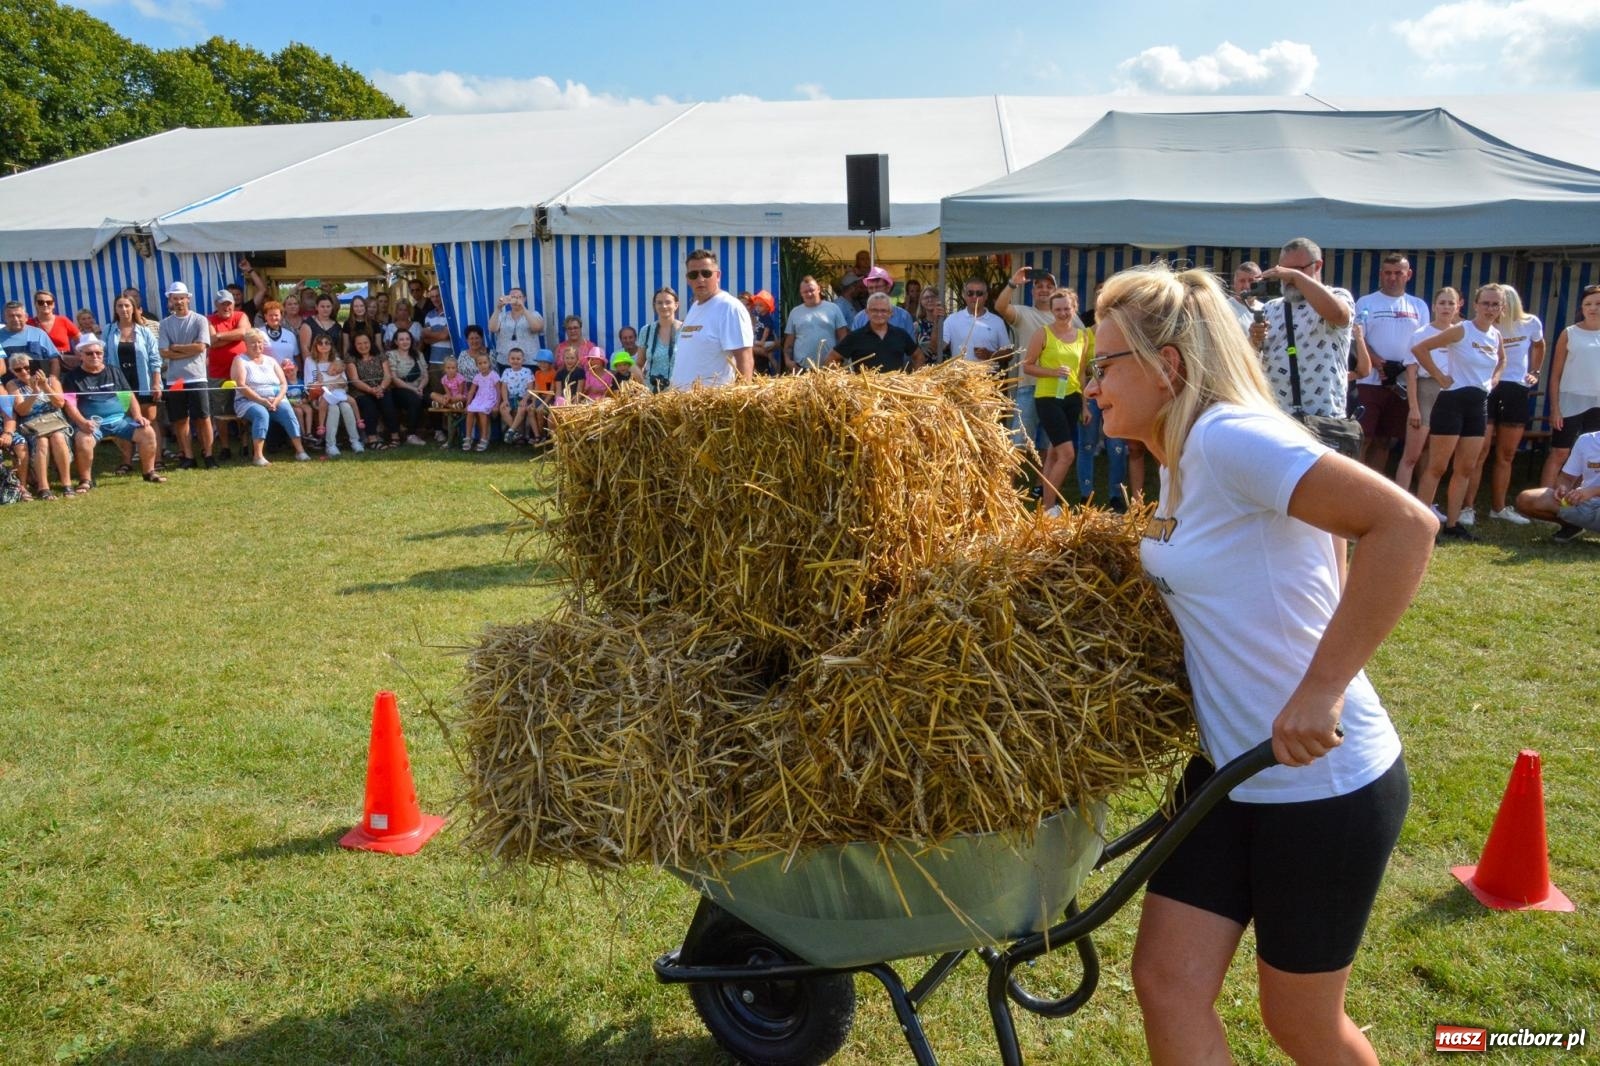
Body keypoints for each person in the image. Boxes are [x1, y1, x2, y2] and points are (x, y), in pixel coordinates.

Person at [1082, 261, 1432, 1066]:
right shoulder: (1179, 458)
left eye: (1106, 364)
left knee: (1302, 1025)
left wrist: (1322, 685)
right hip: (1232, 771)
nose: (1091, 383)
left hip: (1322, 786)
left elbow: (1403, 525)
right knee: (1168, 981)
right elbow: (1322, 543)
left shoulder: (1231, 437)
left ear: (1168, 367)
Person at [1412, 285, 1505, 541]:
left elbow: (1502, 360)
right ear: (1474, 305)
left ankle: (1453, 524)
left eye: (1495, 304)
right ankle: (1421, 525)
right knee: (1437, 467)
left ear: (1501, 308)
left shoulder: (1495, 335)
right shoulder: (1462, 329)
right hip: (1452, 402)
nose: (1490, 309)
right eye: (1485, 303)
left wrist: (1494, 379)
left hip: (1479, 405)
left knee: (1465, 467)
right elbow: (1420, 349)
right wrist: (1440, 376)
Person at [1247, 238, 1356, 419]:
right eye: (1284, 270)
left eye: (1296, 270)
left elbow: (1338, 315)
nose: (1287, 277)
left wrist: (1297, 278)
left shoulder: (1338, 295)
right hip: (1276, 416)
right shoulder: (1270, 308)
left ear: (1318, 266)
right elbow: (1250, 359)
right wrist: (1254, 339)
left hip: (1323, 417)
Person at [1464, 284, 1544, 525]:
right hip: (1488, 387)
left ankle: (1498, 507)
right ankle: (1467, 507)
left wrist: (1535, 371)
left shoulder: (1530, 322)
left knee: (1507, 454)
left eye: (1501, 303)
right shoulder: (1485, 325)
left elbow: (1540, 344)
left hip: (1516, 389)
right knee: (1480, 451)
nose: (1497, 308)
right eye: (1493, 303)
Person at [1353, 254, 1430, 474]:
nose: (1392, 278)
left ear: (1408, 275)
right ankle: (1356, 485)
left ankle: (1376, 489)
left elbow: (1423, 341)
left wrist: (1404, 366)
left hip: (1402, 384)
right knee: (1363, 437)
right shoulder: (1366, 302)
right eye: (1388, 273)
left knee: (1385, 440)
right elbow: (1358, 337)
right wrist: (1377, 363)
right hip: (1370, 381)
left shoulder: (1418, 305)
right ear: (1380, 275)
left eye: (1398, 273)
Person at [1021, 289, 1090, 517]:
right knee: (1068, 454)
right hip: (1048, 398)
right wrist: (1052, 372)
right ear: (1051, 311)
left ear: (1074, 308)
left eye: (1066, 308)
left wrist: (1085, 405)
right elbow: (1027, 365)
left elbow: (1081, 375)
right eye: (1058, 309)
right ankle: (1050, 507)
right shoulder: (1043, 333)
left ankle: (1045, 508)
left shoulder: (1083, 336)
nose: (1062, 313)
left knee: (1053, 453)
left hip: (1071, 398)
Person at [62, 335, 163, 488]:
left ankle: (149, 472)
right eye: (89, 353)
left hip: (119, 421)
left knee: (147, 431)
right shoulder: (72, 377)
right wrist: (82, 423)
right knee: (83, 439)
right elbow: (69, 405)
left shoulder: (114, 371)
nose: (95, 356)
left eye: (98, 353)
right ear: (80, 355)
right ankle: (86, 480)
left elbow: (128, 396)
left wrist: (137, 416)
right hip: (91, 423)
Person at [1394, 287, 1459, 497]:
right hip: (1425, 393)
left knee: (1433, 457)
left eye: (1451, 303)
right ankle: (1400, 502)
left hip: (1450, 394)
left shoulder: (1460, 334)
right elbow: (1411, 373)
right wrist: (1413, 407)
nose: (1446, 307)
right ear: (1434, 307)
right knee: (1411, 456)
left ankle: (1425, 503)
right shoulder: (1421, 334)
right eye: (1442, 303)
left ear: (1458, 306)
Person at [997, 266, 1066, 457]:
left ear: (1056, 291)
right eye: (1039, 286)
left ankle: (1040, 487)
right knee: (1017, 443)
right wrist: (1012, 284)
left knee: (1048, 443)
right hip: (1028, 387)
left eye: (1049, 286)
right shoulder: (1023, 313)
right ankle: (1007, 486)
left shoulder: (1067, 316)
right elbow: (1000, 307)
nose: (1044, 289)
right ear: (1032, 291)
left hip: (1057, 388)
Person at [1540, 283, 1600, 491]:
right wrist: (1555, 408)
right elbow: (1555, 374)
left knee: (1593, 457)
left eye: (1598, 303)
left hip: (1598, 403)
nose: (1593, 308)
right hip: (1570, 401)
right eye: (1588, 304)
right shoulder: (1570, 333)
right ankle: (1543, 500)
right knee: (1560, 452)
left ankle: (1583, 501)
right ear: (1581, 308)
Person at [670, 249, 753, 389]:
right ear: (688, 279)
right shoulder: (695, 307)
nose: (700, 279)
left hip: (710, 406)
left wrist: (741, 405)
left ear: (718, 275)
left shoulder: (729, 307)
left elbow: (745, 359)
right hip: (683, 404)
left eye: (706, 273)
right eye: (694, 274)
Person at [230, 329, 311, 465]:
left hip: (275, 399)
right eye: (253, 343)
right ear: (246, 344)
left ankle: (300, 451)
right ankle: (258, 456)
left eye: (260, 342)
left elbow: (283, 383)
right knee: (261, 414)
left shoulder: (271, 361)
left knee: (287, 412)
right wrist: (261, 401)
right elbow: (241, 385)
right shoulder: (240, 360)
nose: (257, 346)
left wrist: (278, 399)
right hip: (248, 401)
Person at [158, 281, 214, 470]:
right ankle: (188, 456)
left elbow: (201, 346)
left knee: (203, 417)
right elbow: (164, 352)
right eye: (175, 298)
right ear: (170, 300)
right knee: (180, 418)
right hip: (176, 379)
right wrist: (190, 349)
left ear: (188, 299)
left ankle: (208, 454)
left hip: (197, 376)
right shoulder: (165, 324)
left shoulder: (200, 320)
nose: (179, 301)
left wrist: (177, 348)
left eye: (182, 298)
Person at [1515, 428, 1600, 543]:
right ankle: (1572, 525)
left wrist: (1592, 491)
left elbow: (1590, 491)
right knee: (1525, 499)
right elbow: (1567, 477)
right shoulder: (1586, 440)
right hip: (1584, 505)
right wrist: (1562, 488)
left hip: (1589, 499)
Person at [6, 353, 74, 497]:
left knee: (58, 438)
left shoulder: (51, 380)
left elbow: (60, 403)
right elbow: (21, 411)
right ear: (13, 372)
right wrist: (35, 392)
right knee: (41, 441)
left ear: (33, 366)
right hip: (31, 422)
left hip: (54, 419)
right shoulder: (13, 385)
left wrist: (44, 386)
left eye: (26, 367)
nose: (24, 372)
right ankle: (43, 487)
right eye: (18, 370)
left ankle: (67, 483)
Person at [107, 295, 162, 461]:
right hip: (120, 384)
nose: (124, 309)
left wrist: (156, 383)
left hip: (143, 382)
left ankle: (156, 460)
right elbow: (103, 358)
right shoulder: (108, 330)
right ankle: (127, 462)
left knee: (150, 421)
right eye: (120, 306)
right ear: (115, 309)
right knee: (124, 422)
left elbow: (155, 359)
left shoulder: (144, 331)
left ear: (134, 308)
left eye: (127, 306)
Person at [207, 289, 249, 460]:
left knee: (244, 408)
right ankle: (225, 446)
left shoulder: (241, 315)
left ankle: (245, 444)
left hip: (242, 373)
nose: (226, 307)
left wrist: (220, 336)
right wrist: (234, 336)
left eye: (229, 303)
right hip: (218, 373)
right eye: (222, 304)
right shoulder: (208, 319)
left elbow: (244, 333)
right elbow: (209, 342)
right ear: (216, 305)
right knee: (221, 411)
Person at [831, 293, 920, 372]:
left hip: (894, 389)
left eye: (883, 310)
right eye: (874, 310)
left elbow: (919, 356)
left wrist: (914, 380)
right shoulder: (855, 336)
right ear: (867, 312)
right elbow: (832, 358)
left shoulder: (901, 334)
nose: (879, 314)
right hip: (865, 390)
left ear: (890, 313)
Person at [783, 276, 848, 371]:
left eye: (811, 290)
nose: (809, 294)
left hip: (830, 369)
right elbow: (788, 344)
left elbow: (843, 338)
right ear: (801, 293)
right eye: (805, 292)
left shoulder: (833, 308)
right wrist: (788, 361)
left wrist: (840, 359)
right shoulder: (795, 312)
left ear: (818, 289)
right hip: (802, 369)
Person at [941, 279, 1009, 363]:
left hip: (988, 375)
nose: (974, 297)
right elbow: (939, 347)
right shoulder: (952, 319)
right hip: (959, 374)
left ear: (986, 296)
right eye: (970, 293)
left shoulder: (997, 322)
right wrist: (937, 320)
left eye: (979, 293)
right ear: (964, 295)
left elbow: (1008, 353)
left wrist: (990, 354)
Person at [349, 331, 397, 449]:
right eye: (359, 343)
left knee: (388, 405)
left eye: (366, 343)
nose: (363, 346)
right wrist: (371, 390)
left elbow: (387, 375)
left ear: (371, 343)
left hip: (381, 387)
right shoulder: (351, 358)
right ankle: (372, 439)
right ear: (354, 345)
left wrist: (381, 388)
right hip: (361, 391)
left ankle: (395, 436)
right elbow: (354, 380)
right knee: (369, 406)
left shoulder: (380, 355)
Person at [384, 329, 429, 445]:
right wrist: (414, 390)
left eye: (407, 339)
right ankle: (411, 435)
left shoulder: (418, 354)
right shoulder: (391, 355)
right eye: (401, 339)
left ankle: (439, 431)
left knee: (432, 399)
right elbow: (394, 378)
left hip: (419, 388)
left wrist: (420, 387)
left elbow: (425, 375)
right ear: (396, 341)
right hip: (399, 390)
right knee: (414, 400)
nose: (405, 342)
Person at [489, 288, 545, 370]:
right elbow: (492, 328)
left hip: (529, 362)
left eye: (518, 297)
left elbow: (536, 328)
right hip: (505, 362)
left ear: (524, 298)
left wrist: (522, 306)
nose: (515, 300)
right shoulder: (502, 316)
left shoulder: (534, 314)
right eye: (512, 297)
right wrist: (498, 308)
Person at [850, 268, 915, 336]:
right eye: (871, 288)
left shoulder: (904, 317)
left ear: (888, 288)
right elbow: (854, 345)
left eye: (878, 287)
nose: (874, 291)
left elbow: (911, 345)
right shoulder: (859, 318)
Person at [639, 287, 681, 392]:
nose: (664, 306)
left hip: (679, 393)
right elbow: (639, 364)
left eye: (668, 302)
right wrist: (642, 385)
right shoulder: (646, 330)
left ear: (676, 305)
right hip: (652, 395)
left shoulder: (685, 331)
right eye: (659, 303)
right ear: (654, 306)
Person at [2, 300, 59, 375]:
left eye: (19, 316)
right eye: (11, 316)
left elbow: (54, 359)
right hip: (9, 384)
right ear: (5, 318)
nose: (15, 319)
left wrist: (53, 378)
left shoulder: (39, 334)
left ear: (26, 317)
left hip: (38, 382)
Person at [463, 351, 500, 451]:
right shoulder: (477, 376)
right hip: (479, 398)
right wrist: (467, 404)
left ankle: (484, 438)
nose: (483, 365)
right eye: (480, 363)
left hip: (490, 399)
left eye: (485, 363)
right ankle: (468, 437)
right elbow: (471, 392)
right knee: (470, 411)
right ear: (476, 365)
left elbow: (498, 390)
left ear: (489, 363)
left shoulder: (494, 375)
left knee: (482, 412)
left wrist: (497, 405)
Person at [298, 293, 343, 375]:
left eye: (328, 306)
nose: (325, 309)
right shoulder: (308, 324)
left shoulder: (337, 326)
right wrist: (313, 369)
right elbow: (305, 349)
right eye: (322, 306)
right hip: (315, 366)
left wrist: (337, 364)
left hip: (333, 367)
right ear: (316, 307)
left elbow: (338, 349)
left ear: (332, 307)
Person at [28, 290, 79, 361]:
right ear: (35, 304)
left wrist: (78, 355)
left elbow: (81, 339)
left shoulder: (63, 321)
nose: (45, 305)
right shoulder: (28, 323)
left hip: (63, 362)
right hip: (40, 362)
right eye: (41, 302)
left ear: (53, 305)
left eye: (49, 302)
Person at [498, 348, 534, 443]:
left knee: (521, 409)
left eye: (518, 359)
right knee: (503, 409)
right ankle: (517, 432)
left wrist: (525, 399)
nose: (515, 361)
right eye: (513, 358)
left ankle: (511, 430)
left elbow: (531, 388)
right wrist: (505, 400)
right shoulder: (506, 371)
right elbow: (504, 387)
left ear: (523, 360)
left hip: (523, 398)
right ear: (508, 359)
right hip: (510, 398)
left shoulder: (527, 371)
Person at [1226, 261, 1265, 336]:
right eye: (1242, 281)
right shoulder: (1224, 308)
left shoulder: (1266, 308)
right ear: (1234, 284)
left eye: (1251, 281)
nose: (1247, 286)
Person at [748, 292, 782, 374]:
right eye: (756, 305)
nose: (757, 308)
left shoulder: (766, 318)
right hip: (762, 342)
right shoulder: (759, 317)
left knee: (770, 356)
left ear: (767, 307)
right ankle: (778, 372)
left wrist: (762, 341)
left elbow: (767, 330)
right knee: (769, 355)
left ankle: (778, 373)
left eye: (760, 305)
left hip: (766, 342)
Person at [421, 284, 453, 368]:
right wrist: (442, 336)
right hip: (434, 360)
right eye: (432, 297)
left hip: (451, 361)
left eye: (437, 296)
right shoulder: (429, 315)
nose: (435, 299)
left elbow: (445, 335)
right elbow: (426, 340)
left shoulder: (451, 314)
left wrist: (430, 334)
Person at [913, 287, 946, 366]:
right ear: (921, 302)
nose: (930, 300)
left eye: (933, 296)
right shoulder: (917, 325)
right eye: (926, 297)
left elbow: (938, 348)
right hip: (925, 371)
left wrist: (937, 320)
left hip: (946, 369)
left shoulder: (947, 323)